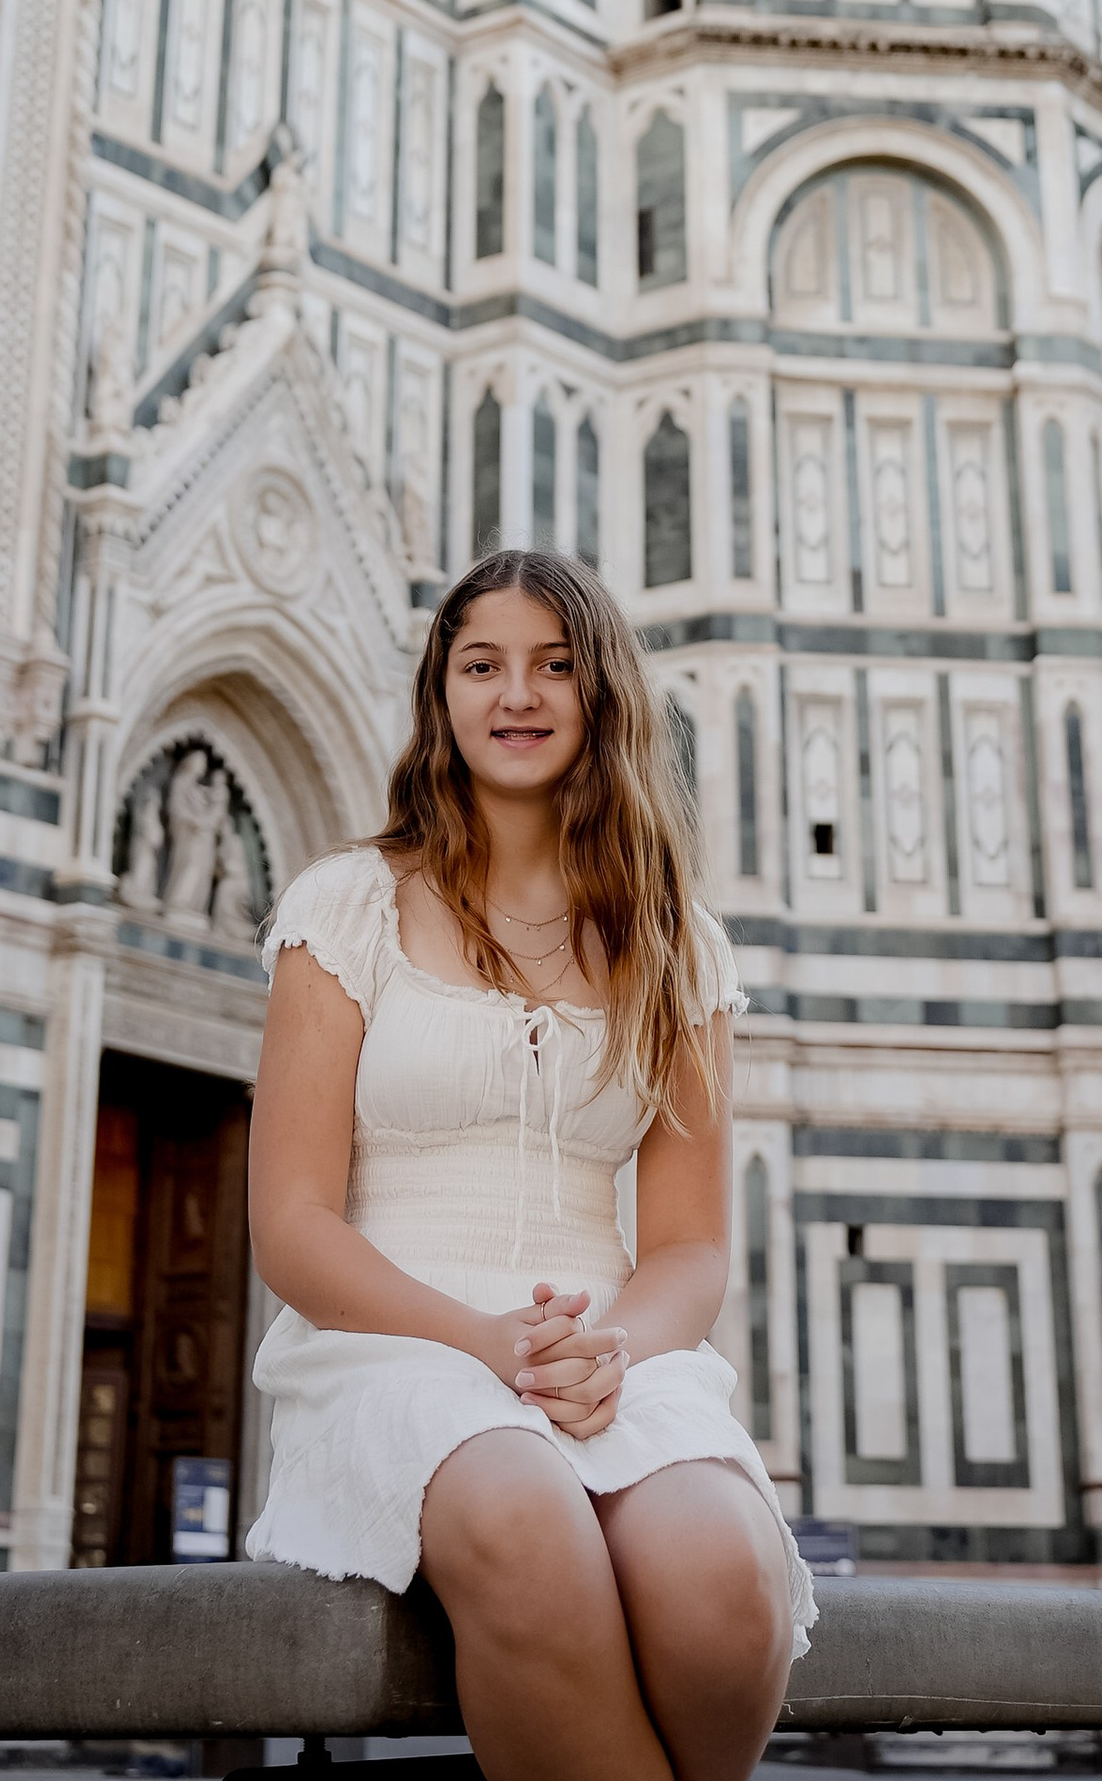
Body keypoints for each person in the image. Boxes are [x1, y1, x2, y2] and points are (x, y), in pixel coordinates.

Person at [246, 547, 812, 1781]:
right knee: (522, 1517)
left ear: (601, 691)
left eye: (554, 665)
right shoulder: (346, 906)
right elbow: (291, 1227)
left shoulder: (675, 942)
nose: (517, 694)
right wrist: (484, 1341)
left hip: (608, 1352)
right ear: (440, 693)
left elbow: (689, 1247)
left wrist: (604, 1353)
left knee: (723, 1574)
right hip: (392, 1344)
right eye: (482, 665)